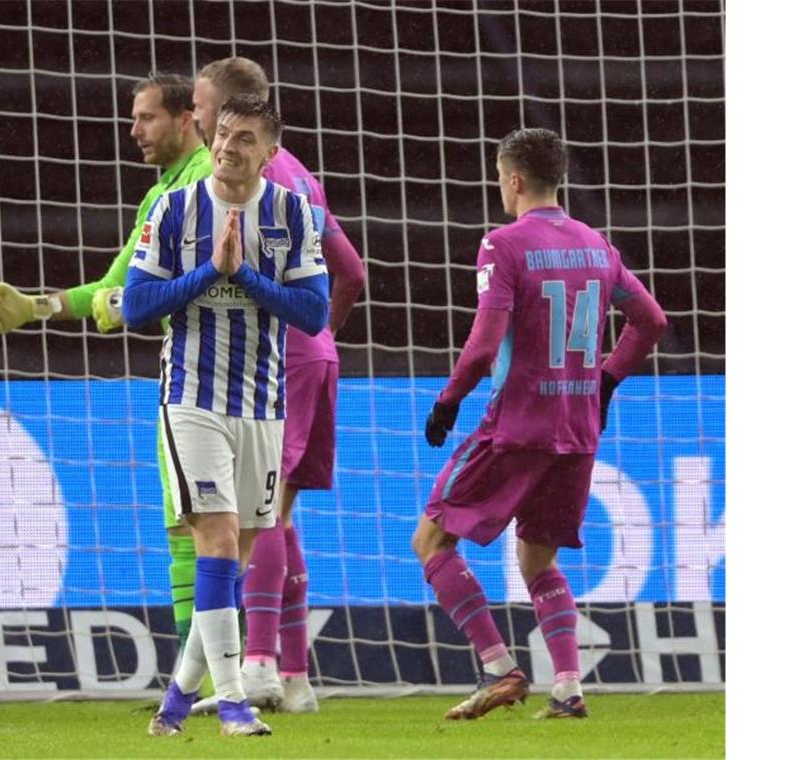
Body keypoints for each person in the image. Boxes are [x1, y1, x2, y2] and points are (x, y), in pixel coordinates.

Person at [411, 127, 667, 720]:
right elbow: (651, 320)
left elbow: (482, 346)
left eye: (501, 178)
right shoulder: (598, 247)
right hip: (577, 430)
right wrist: (604, 380)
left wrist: (448, 402)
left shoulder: (503, 244)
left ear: (516, 179)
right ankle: (568, 689)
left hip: (517, 425)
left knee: (431, 539)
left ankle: (500, 669)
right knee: (538, 559)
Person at [0, 73, 212, 659]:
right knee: (191, 529)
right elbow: (116, 285)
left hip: (216, 374)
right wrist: (36, 308)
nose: (134, 131)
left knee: (220, 531)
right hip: (186, 370)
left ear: (186, 119)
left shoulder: (205, 182)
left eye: (147, 117)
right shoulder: (165, 193)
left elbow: (160, 288)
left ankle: (242, 671)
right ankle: (198, 677)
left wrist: (131, 302)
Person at [126, 96, 329, 737]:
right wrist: (208, 273)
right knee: (214, 539)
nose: (227, 146)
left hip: (263, 405)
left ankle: (176, 703)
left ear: (270, 152)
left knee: (233, 562)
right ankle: (235, 701)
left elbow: (314, 312)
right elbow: (135, 307)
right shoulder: (175, 208)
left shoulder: (290, 212)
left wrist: (246, 278)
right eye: (222, 134)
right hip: (191, 397)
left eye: (245, 138)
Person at [191, 56, 366, 714]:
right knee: (282, 517)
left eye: (203, 109)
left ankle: (257, 665)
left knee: (256, 512)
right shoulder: (304, 176)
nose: (198, 120)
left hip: (274, 358)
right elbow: (353, 274)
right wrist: (320, 338)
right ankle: (295, 677)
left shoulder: (244, 181)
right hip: (314, 355)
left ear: (232, 113)